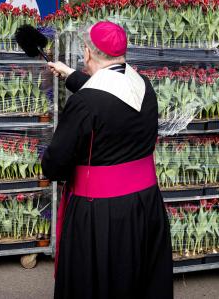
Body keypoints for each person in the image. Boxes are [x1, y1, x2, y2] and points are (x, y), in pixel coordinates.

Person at [43, 21, 173, 299]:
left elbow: (55, 164)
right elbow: (112, 97)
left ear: (88, 53)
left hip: (101, 214)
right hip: (145, 203)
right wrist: (69, 75)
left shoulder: (86, 102)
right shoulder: (143, 86)